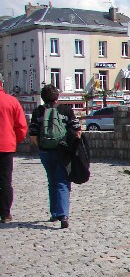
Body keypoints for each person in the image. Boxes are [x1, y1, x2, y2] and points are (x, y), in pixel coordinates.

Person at [29, 85, 81, 229]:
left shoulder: (38, 112)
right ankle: (63, 215)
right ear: (57, 96)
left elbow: (33, 135)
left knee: (52, 181)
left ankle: (54, 213)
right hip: (63, 150)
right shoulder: (66, 110)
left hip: (46, 151)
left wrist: (42, 146)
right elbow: (77, 130)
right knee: (63, 181)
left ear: (42, 97)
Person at [0, 74, 28, 224]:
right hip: (6, 146)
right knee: (5, 181)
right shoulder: (11, 101)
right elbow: (21, 126)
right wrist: (15, 139)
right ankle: (5, 213)